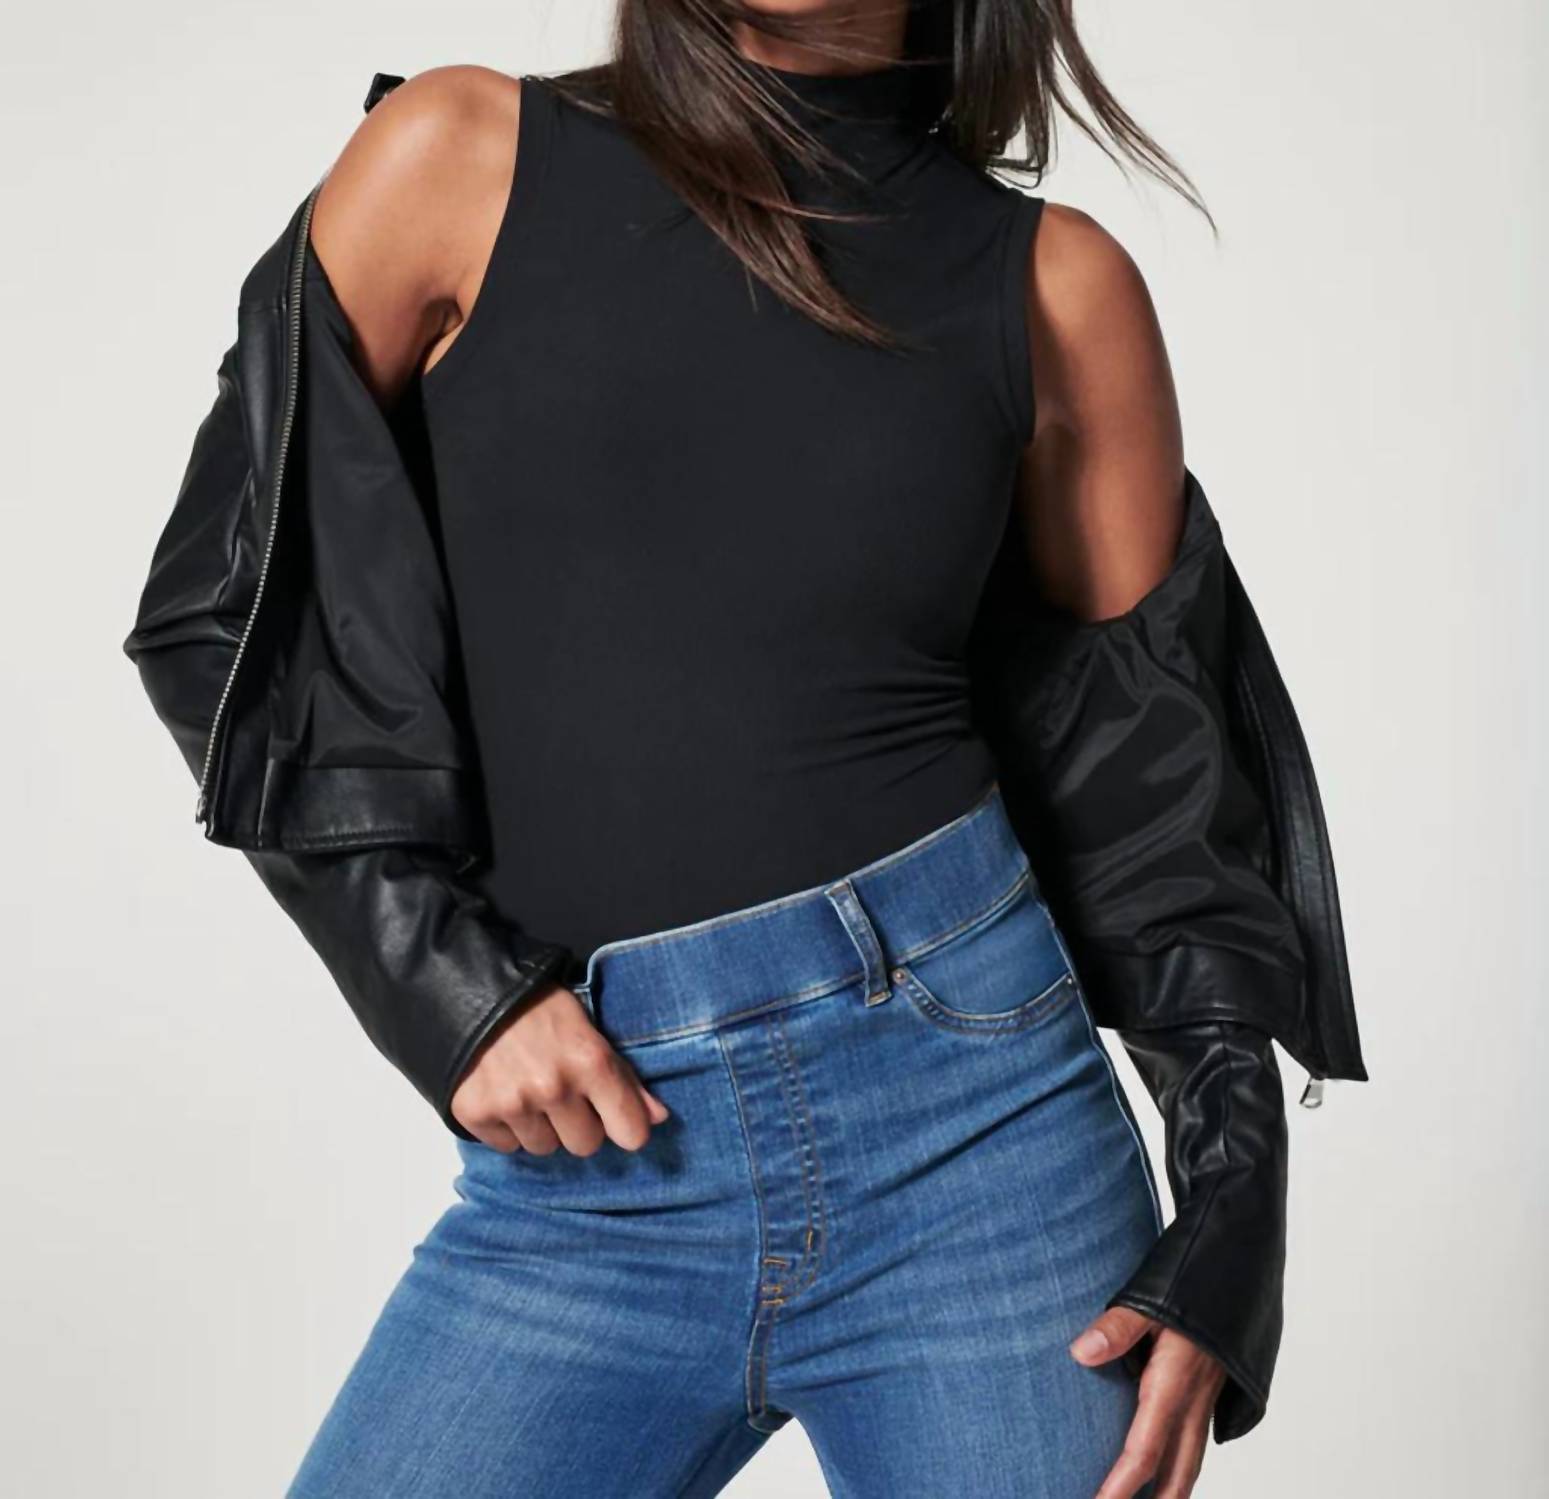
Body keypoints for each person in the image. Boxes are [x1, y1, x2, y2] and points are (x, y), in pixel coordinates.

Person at [121, 3, 1367, 1496]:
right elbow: (222, 613)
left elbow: (1156, 803)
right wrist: (442, 986)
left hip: (981, 1147)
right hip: (590, 1175)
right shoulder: (456, 157)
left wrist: (1232, 1203)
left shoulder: (1056, 285)